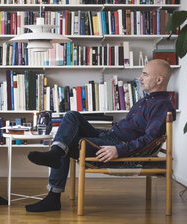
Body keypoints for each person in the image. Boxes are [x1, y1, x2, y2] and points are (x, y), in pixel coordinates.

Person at [25, 59, 176, 212]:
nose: (140, 78)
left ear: (159, 80)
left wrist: (118, 150)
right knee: (72, 116)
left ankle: (53, 196)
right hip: (109, 135)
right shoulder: (147, 100)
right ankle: (56, 153)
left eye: (145, 74)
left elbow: (149, 139)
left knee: (67, 144)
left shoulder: (162, 106)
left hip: (116, 144)